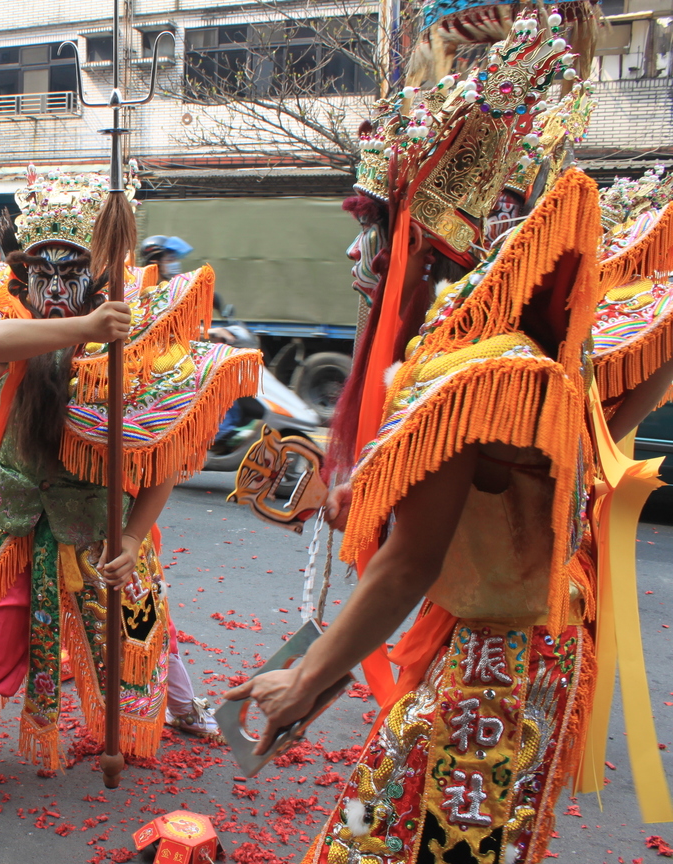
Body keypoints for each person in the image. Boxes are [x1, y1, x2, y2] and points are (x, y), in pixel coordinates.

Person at [228, 23, 673, 864]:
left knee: (391, 845)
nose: (367, 254)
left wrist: (305, 679)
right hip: (516, 646)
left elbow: (409, 563)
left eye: (387, 226)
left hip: (493, 671)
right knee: (384, 823)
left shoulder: (483, 371)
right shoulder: (549, 350)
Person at [0, 166, 263, 841]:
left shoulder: (136, 339)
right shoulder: (10, 313)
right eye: (41, 272)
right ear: (24, 274)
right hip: (17, 527)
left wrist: (134, 537)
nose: (53, 286)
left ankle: (186, 711)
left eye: (69, 271)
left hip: (100, 530)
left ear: (96, 273)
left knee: (140, 628)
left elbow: (160, 455)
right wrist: (81, 326)